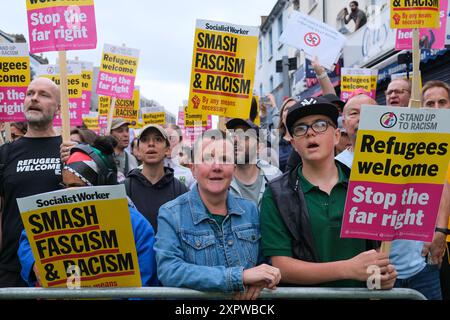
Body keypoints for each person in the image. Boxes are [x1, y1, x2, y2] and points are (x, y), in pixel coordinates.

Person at [260, 96, 397, 288]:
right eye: (300, 128)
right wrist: (347, 268)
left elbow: (375, 251)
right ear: (293, 144)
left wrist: (381, 278)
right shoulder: (276, 194)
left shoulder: (366, 186)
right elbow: (281, 266)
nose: (310, 133)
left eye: (320, 124)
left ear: (337, 136)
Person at [154, 130, 281, 299]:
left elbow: (264, 262)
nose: (217, 167)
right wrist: (240, 277)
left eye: (225, 159)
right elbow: (170, 270)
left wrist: (263, 278)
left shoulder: (250, 211)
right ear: (193, 169)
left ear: (234, 169)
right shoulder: (171, 214)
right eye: (207, 158)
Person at [18, 136, 158, 287]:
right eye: (65, 186)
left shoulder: (135, 225)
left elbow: (144, 282)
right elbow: (28, 240)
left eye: (77, 186)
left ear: (100, 184)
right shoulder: (54, 213)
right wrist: (33, 263)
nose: (69, 192)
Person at [0, 77, 63, 287]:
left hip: (61, 266)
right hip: (12, 268)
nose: (34, 98)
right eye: (30, 93)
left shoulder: (71, 151)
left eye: (44, 95)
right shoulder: (6, 154)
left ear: (58, 109)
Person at [124, 124, 188, 233]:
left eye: (158, 139)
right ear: (138, 150)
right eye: (144, 140)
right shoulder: (124, 188)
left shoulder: (181, 190)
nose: (151, 144)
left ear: (167, 149)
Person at [226, 118, 281, 209]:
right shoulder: (221, 180)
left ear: (259, 147)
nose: (235, 140)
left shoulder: (274, 177)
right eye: (233, 135)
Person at [336, 93, 378, 168]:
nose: (361, 118)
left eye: (368, 112)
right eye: (354, 113)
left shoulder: (398, 158)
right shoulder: (337, 166)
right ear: (344, 123)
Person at [164, 124, 196, 189]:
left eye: (172, 138)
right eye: (164, 138)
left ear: (180, 142)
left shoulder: (189, 174)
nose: (168, 143)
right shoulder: (143, 171)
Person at [276, 97, 297, 172]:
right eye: (287, 109)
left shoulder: (309, 138)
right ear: (282, 118)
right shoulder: (275, 145)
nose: (290, 110)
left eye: (294, 107)